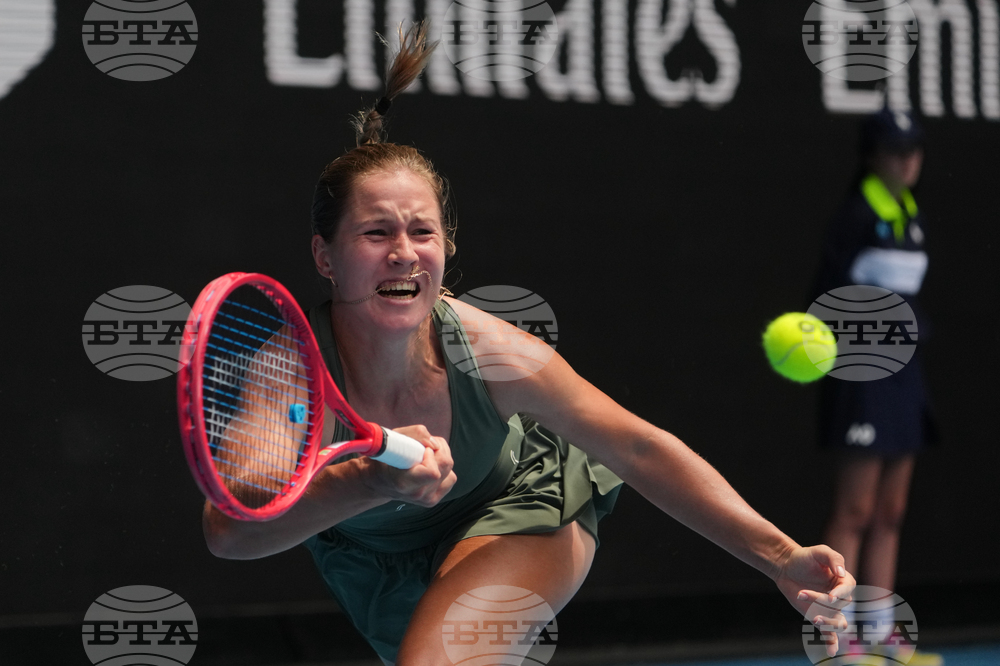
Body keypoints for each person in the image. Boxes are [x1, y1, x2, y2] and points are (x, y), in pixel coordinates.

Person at [203, 23, 854, 665]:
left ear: (445, 247)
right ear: (326, 255)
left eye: (421, 232)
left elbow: (635, 446)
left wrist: (780, 557)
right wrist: (367, 485)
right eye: (375, 232)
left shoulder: (490, 351)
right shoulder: (288, 373)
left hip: (522, 503)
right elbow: (230, 533)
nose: (403, 254)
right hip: (376, 567)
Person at [813, 107, 940, 666]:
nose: (907, 160)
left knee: (891, 509)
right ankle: (839, 643)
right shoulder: (855, 214)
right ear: (872, 156)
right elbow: (824, 298)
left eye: (913, 149)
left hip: (905, 377)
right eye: (895, 150)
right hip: (863, 376)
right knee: (855, 510)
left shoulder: (909, 215)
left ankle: (883, 636)